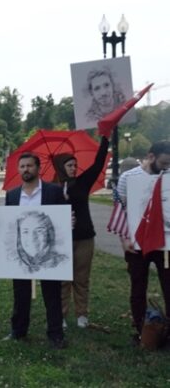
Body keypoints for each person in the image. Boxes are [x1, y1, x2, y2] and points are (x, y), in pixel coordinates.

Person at [2, 152, 68, 349]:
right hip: (23, 252)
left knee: (52, 293)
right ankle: (18, 330)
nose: (26, 169)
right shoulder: (12, 194)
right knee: (20, 292)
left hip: (47, 250)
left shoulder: (53, 192)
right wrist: (1, 222)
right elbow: (11, 224)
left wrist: (68, 221)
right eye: (22, 166)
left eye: (29, 166)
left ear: (38, 168)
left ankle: (55, 334)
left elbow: (62, 219)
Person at [51, 136, 109, 329]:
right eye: (69, 165)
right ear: (61, 167)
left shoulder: (82, 182)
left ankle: (82, 314)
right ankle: (61, 314)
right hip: (61, 239)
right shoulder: (52, 189)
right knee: (63, 279)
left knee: (81, 277)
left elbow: (98, 164)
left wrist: (105, 139)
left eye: (75, 165)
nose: (74, 168)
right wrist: (63, 199)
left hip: (84, 236)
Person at [115, 140, 170, 345]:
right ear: (150, 157)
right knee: (138, 287)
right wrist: (124, 238)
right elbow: (120, 208)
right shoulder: (128, 177)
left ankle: (167, 331)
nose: (166, 167)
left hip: (165, 243)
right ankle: (140, 329)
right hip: (136, 243)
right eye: (164, 163)